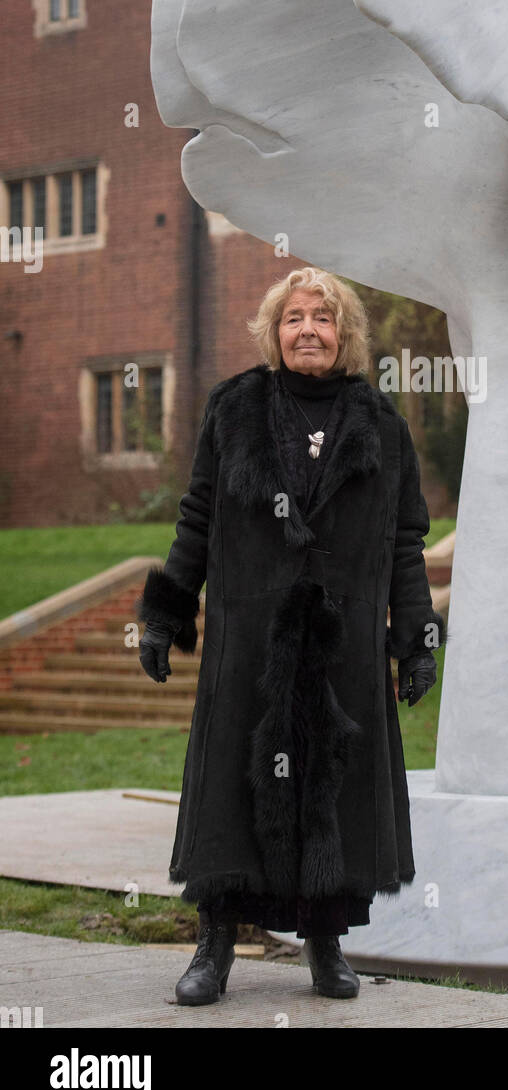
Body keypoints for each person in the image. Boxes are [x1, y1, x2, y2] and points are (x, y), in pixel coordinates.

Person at [135, 266, 445, 1005]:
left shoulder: (382, 426)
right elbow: (197, 516)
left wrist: (416, 640)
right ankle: (214, 945)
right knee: (234, 794)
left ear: (346, 336)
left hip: (341, 644)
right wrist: (165, 614)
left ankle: (327, 945)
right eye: (294, 318)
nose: (309, 329)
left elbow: (406, 542)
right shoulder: (234, 409)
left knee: (331, 789)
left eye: (324, 317)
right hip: (250, 638)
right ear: (274, 333)